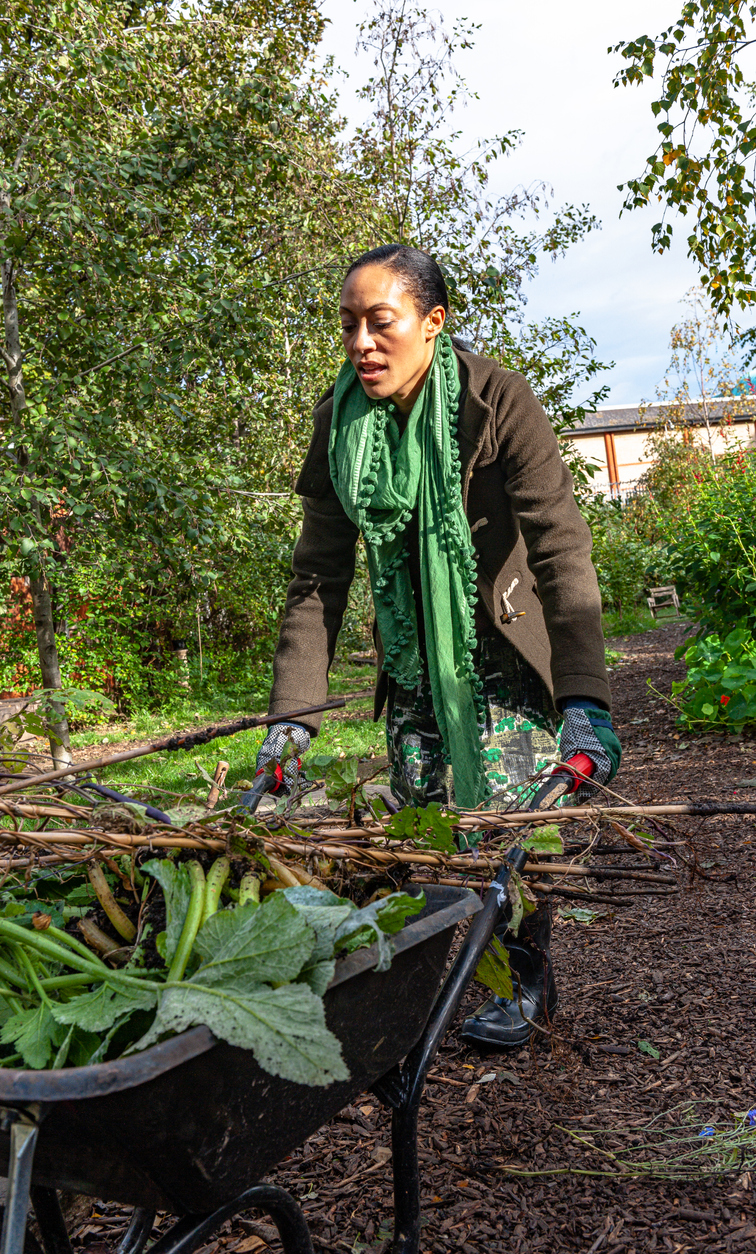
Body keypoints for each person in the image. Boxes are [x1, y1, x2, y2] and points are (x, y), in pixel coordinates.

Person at [254, 244, 621, 1051]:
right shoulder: (340, 421)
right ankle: (425, 991)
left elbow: (560, 549)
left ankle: (522, 977)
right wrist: (292, 721)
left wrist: (584, 699)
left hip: (499, 645)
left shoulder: (497, 401)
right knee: (422, 823)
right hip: (413, 659)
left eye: (379, 322)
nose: (360, 342)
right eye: (348, 324)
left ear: (432, 322)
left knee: (509, 817)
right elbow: (317, 580)